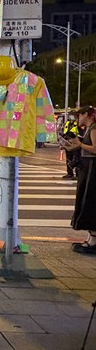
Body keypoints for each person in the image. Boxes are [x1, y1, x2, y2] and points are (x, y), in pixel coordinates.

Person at [65, 106, 96, 253]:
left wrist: (80, 144)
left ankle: (93, 242)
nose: (78, 119)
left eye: (79, 115)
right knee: (85, 201)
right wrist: (73, 145)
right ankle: (91, 240)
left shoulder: (94, 128)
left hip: (92, 169)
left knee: (89, 201)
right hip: (87, 168)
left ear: (86, 115)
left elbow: (95, 149)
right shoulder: (90, 128)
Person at [61, 112, 81, 179]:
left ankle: (78, 174)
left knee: (76, 159)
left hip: (75, 143)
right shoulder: (67, 123)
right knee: (68, 159)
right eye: (70, 115)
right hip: (68, 143)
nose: (71, 116)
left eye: (72, 115)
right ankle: (69, 173)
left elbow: (79, 133)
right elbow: (64, 130)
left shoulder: (78, 123)